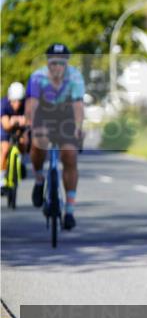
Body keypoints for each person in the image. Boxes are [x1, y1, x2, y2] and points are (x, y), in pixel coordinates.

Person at [26, 43, 85, 229]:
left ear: (66, 63)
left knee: (69, 156)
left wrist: (77, 127)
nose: (57, 67)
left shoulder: (75, 77)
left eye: (61, 63)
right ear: (47, 63)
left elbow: (78, 105)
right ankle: (39, 179)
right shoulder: (38, 77)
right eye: (53, 63)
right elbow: (32, 103)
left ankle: (69, 210)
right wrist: (30, 124)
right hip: (43, 115)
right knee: (38, 143)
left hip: (65, 117)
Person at [1, 82, 29, 197]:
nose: (17, 104)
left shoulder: (26, 105)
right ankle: (2, 179)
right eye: (14, 101)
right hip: (5, 128)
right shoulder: (4, 104)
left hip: (20, 129)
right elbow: (6, 125)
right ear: (10, 99)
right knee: (5, 149)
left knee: (23, 143)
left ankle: (21, 162)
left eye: (20, 101)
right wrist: (14, 122)